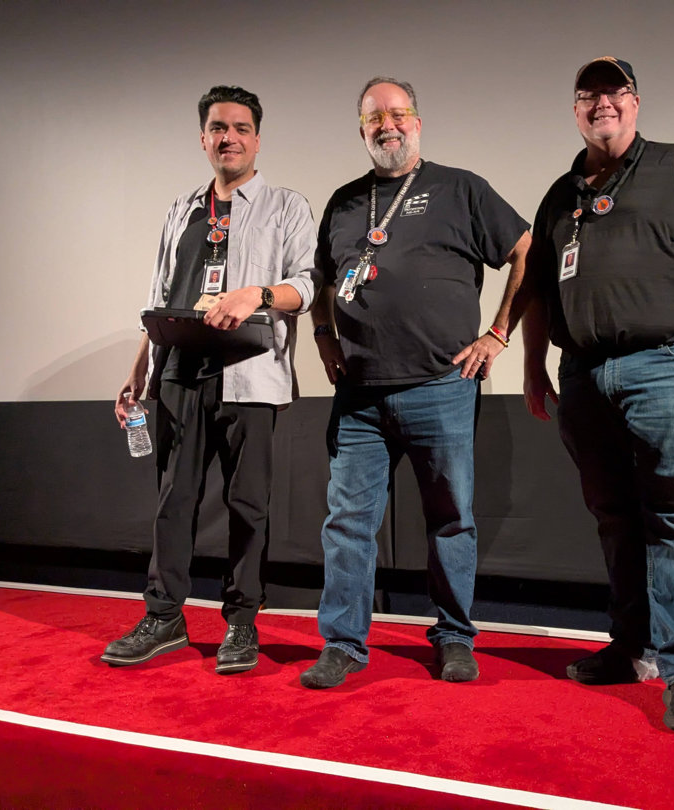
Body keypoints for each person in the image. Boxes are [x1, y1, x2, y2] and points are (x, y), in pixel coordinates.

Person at [521, 57, 674, 734]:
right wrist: (535, 364)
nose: (603, 103)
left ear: (635, 101)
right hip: (584, 376)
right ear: (575, 110)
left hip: (668, 367)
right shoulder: (560, 195)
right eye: (589, 94)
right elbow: (539, 288)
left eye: (615, 91)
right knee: (614, 518)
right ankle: (633, 649)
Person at [302, 76, 531, 689]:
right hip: (360, 396)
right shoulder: (345, 202)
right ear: (361, 130)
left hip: (441, 386)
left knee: (451, 520)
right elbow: (320, 282)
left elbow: (527, 250)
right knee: (347, 523)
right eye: (375, 118)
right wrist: (324, 339)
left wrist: (499, 333)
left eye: (399, 114)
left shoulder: (461, 188)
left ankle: (455, 637)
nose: (388, 126)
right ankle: (345, 644)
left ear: (418, 122)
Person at [102, 86, 318, 674]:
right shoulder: (182, 210)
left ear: (256, 137)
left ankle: (242, 624)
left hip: (249, 375)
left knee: (249, 505)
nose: (230, 138)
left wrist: (257, 295)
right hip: (179, 372)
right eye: (218, 128)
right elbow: (159, 297)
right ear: (204, 138)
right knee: (174, 501)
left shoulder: (286, 206)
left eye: (241, 128)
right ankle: (165, 615)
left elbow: (309, 286)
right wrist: (139, 370)